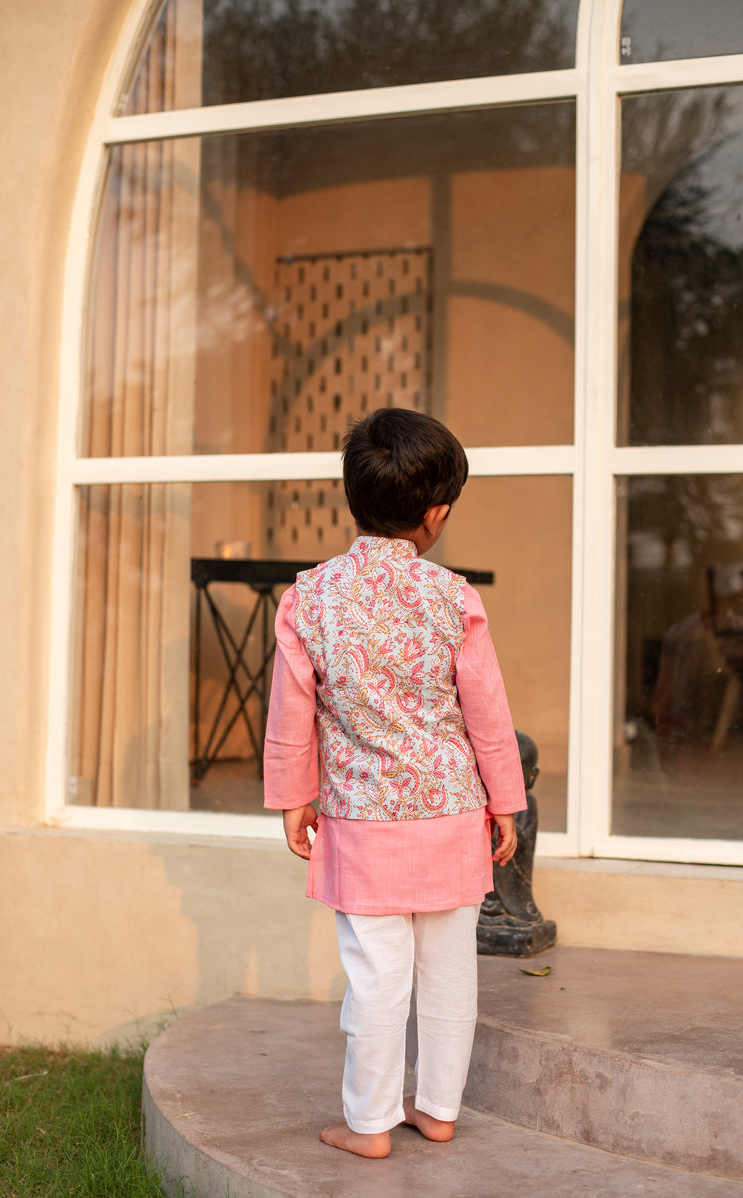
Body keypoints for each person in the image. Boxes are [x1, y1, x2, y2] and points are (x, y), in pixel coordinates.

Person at [263, 406, 526, 1160]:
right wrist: (506, 801)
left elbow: (291, 714)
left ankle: (369, 1124)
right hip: (451, 816)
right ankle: (438, 1109)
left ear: (354, 496)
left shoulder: (310, 597)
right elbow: (488, 712)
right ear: (435, 514)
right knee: (450, 973)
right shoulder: (453, 597)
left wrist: (294, 798)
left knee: (376, 979)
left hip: (364, 823)